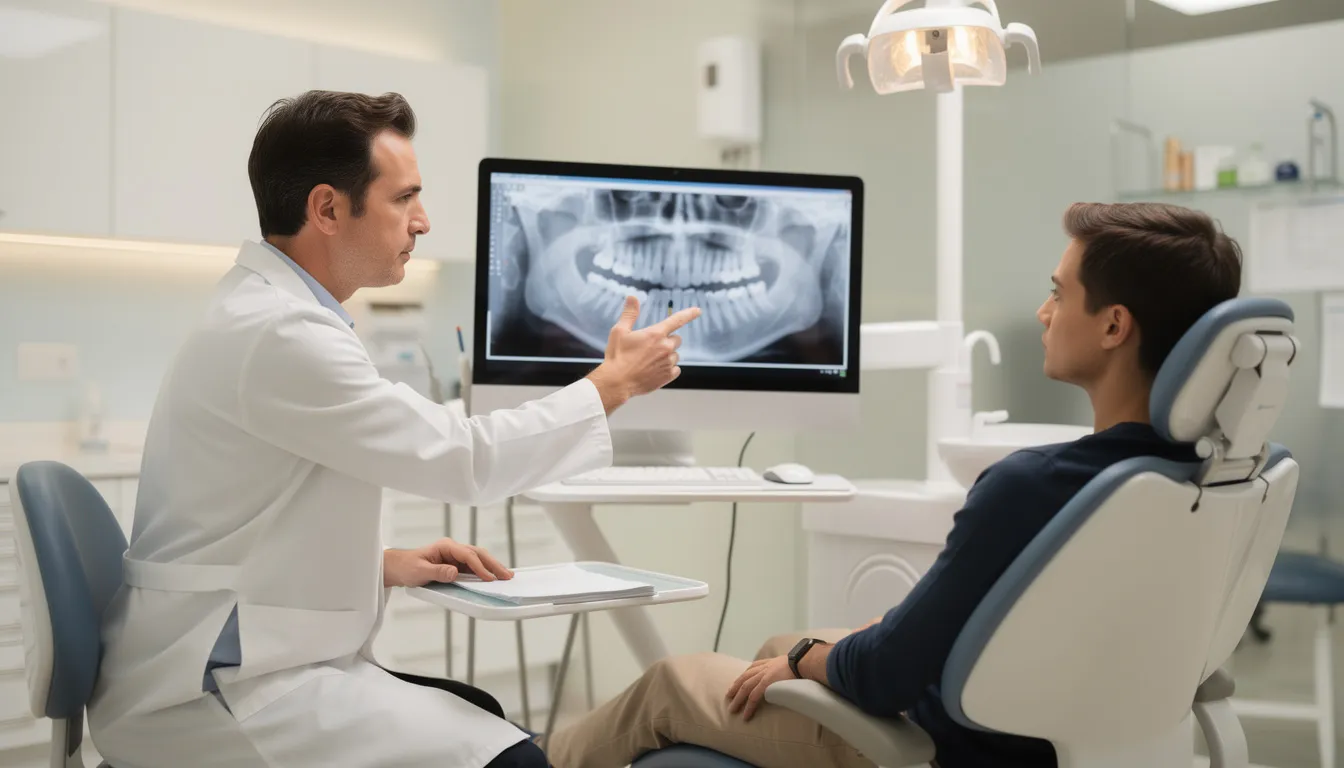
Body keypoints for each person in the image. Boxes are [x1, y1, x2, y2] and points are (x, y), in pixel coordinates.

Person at [86, 90, 699, 768]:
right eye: (404, 198)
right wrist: (611, 385)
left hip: (233, 649)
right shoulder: (281, 332)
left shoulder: (274, 314)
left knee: (482, 716)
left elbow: (241, 522)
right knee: (512, 758)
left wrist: (379, 566)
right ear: (326, 208)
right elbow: (465, 460)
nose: (424, 221)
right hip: (210, 689)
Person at [541, 201, 1244, 768]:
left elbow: (885, 677)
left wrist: (807, 660)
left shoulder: (1032, 484)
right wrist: (808, 652)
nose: (1043, 311)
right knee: (778, 647)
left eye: (1059, 293)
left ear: (1115, 325)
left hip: (948, 745)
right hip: (1062, 732)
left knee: (672, 683)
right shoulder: (1192, 478)